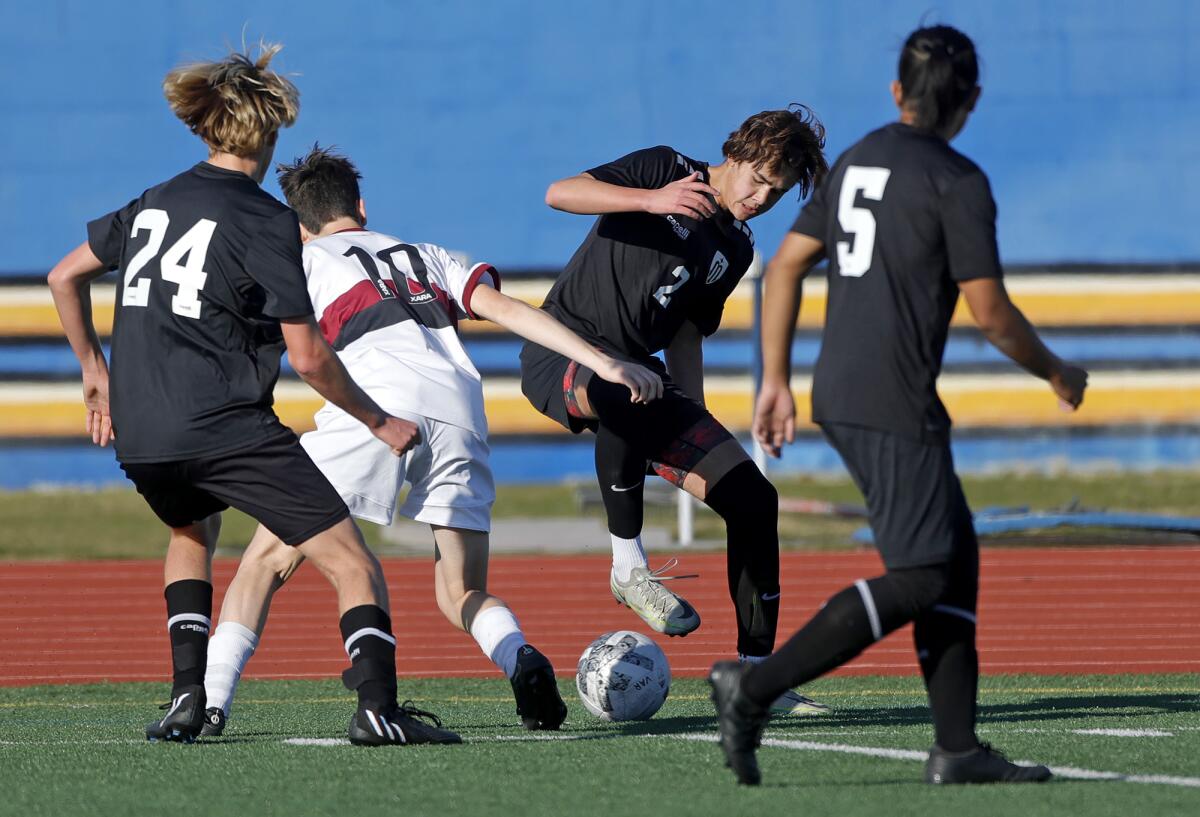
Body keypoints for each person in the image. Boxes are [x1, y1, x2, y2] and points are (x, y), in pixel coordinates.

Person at [46, 44, 459, 746]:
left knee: (190, 531)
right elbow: (308, 357)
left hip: (142, 433)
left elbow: (64, 277)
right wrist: (377, 418)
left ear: (208, 128)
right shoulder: (267, 219)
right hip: (224, 424)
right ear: (268, 134)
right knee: (351, 562)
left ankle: (186, 696)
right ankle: (380, 708)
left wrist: (94, 370)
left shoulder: (153, 202)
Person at [709, 24, 1088, 785]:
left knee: (957, 560)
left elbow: (782, 268)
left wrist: (773, 380)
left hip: (845, 389)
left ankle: (956, 747)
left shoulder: (855, 162)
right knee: (921, 574)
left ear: (895, 92)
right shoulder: (959, 180)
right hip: (891, 396)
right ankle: (752, 686)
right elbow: (993, 314)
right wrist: (1056, 370)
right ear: (972, 100)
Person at [199, 145, 665, 736]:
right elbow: (510, 310)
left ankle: (212, 702)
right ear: (360, 206)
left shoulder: (298, 264)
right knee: (462, 590)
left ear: (298, 225)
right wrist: (605, 363)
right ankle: (519, 654)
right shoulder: (427, 256)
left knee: (265, 560)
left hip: (373, 404)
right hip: (459, 410)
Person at [520, 108, 830, 715]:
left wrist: (695, 422)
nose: (763, 197)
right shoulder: (668, 169)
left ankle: (757, 678)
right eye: (759, 178)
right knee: (622, 390)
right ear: (736, 153)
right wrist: (649, 198)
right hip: (563, 351)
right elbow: (561, 193)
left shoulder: (735, 248)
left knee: (753, 501)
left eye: (779, 191)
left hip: (640, 375)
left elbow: (686, 335)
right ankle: (628, 568)